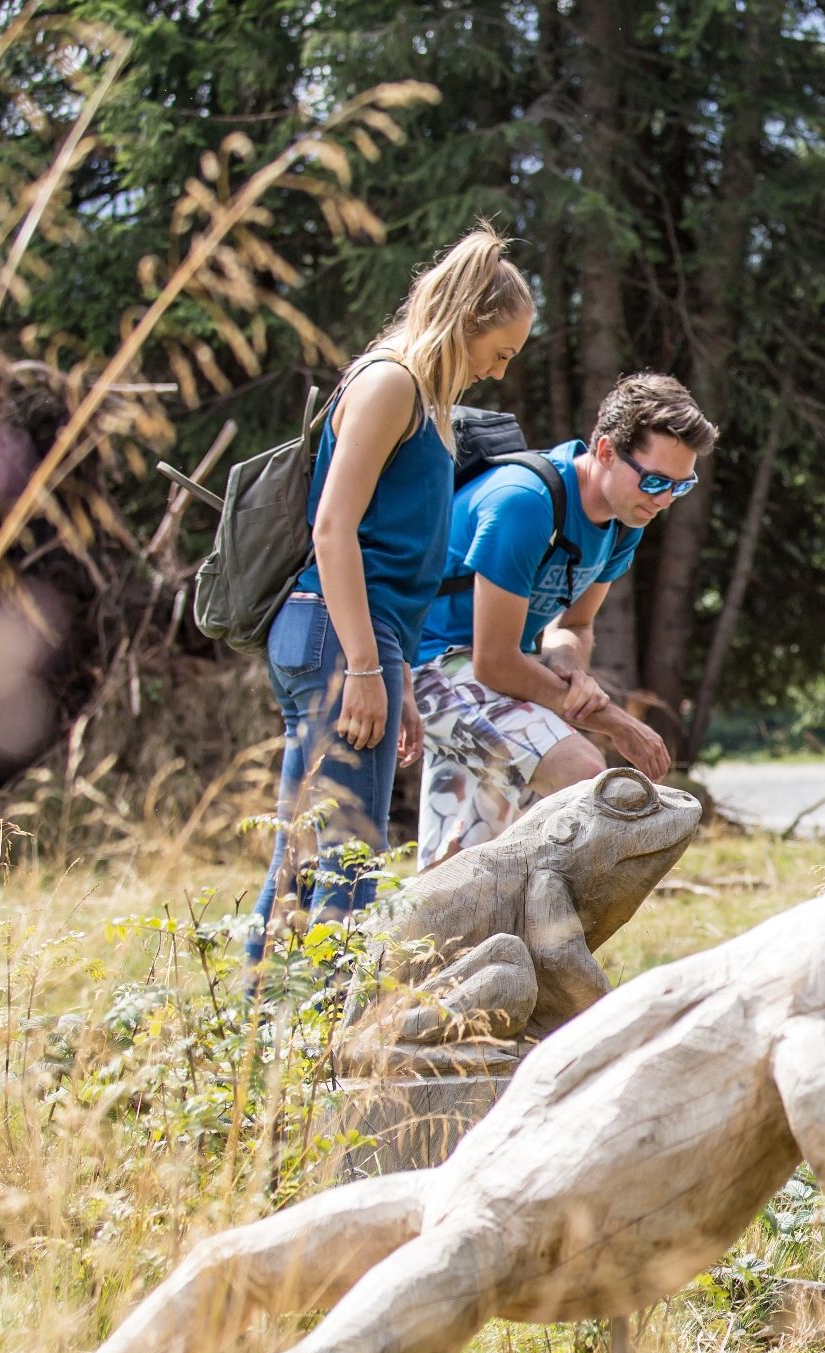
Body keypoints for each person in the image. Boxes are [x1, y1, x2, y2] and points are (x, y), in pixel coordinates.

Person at [249, 225, 531, 962]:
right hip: (335, 638)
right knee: (347, 865)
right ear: (468, 323)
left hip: (365, 641)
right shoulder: (390, 384)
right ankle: (323, 1058)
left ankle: (264, 1043)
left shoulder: (423, 398)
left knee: (310, 859)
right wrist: (368, 668)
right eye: (499, 352)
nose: (500, 374)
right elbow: (334, 530)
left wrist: (395, 672)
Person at [409, 373, 715, 864]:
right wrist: (613, 721)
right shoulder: (525, 504)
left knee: (460, 860)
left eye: (682, 486)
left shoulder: (623, 520)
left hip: (487, 676)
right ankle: (551, 931)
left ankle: (434, 941)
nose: (663, 501)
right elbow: (493, 662)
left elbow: (573, 625)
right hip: (423, 665)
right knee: (578, 769)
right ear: (607, 451)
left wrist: (565, 663)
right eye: (655, 480)